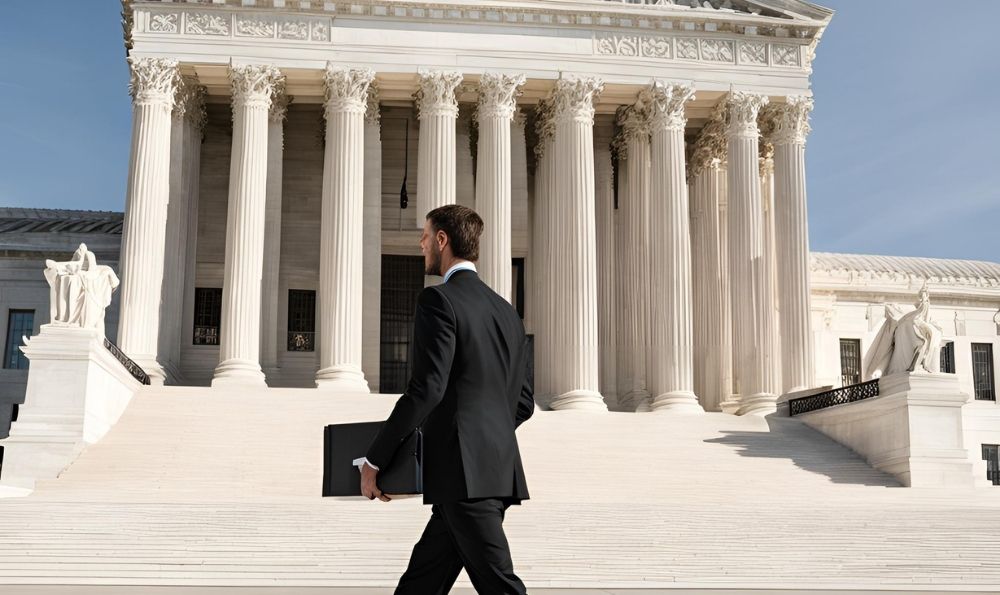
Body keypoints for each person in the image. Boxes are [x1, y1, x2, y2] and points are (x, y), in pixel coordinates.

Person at [359, 204, 534, 595]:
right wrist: (484, 436)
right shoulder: (508, 312)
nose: (420, 244)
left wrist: (375, 459)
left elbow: (427, 389)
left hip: (464, 476)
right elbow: (523, 402)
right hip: (488, 472)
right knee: (421, 583)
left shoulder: (438, 300)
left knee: (501, 586)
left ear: (442, 239)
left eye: (425, 236)